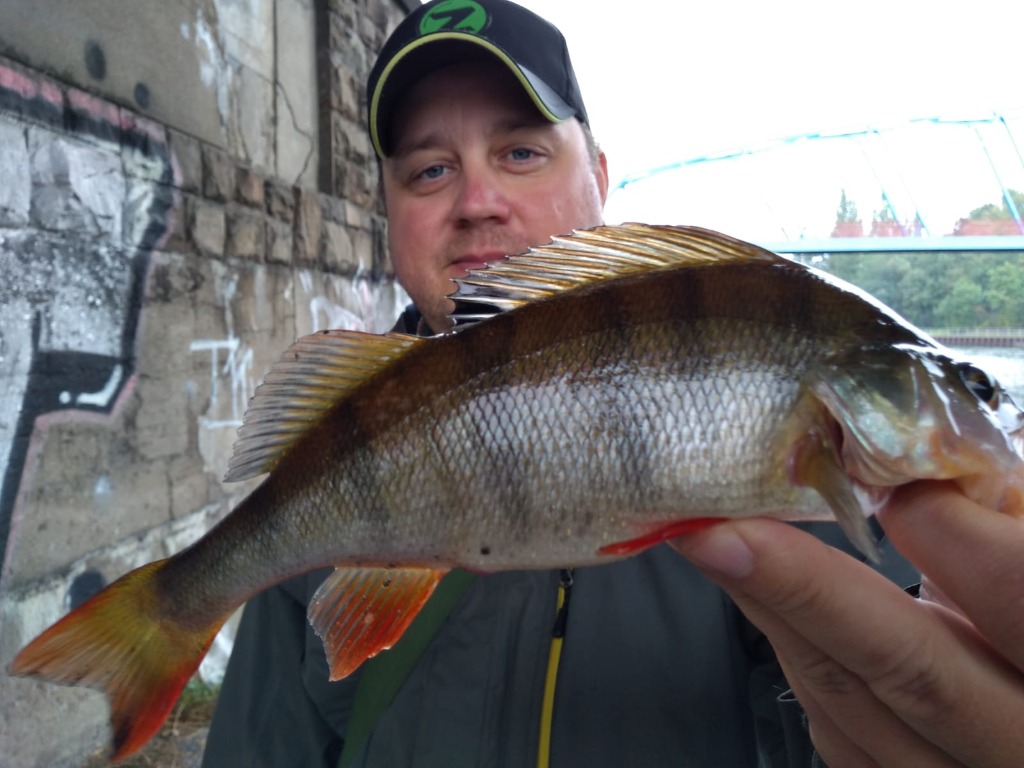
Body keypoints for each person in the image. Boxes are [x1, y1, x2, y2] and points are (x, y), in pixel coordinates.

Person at [204, 2, 1024, 766]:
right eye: (428, 171)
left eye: (521, 152)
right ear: (388, 208)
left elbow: (869, 698)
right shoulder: (321, 481)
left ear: (598, 175)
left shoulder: (841, 514)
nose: (478, 201)